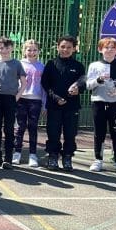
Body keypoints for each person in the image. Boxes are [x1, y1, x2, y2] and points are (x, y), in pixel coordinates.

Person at [86, 37, 116, 175]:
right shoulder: (94, 66)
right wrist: (99, 80)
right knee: (99, 133)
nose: (110, 50)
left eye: (113, 47)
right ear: (100, 49)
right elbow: (88, 85)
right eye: (106, 47)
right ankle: (98, 160)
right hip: (99, 103)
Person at [41, 35, 86, 171]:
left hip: (72, 107)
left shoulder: (78, 66)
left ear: (74, 49)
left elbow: (83, 82)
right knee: (53, 132)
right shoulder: (51, 64)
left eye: (69, 47)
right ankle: (53, 156)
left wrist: (78, 89)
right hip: (55, 105)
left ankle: (67, 157)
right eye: (63, 47)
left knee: (70, 133)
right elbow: (45, 84)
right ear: (58, 47)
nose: (65, 50)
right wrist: (55, 98)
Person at [0, 37, 26, 170]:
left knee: (9, 128)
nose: (4, 50)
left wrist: (17, 96)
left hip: (10, 98)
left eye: (7, 47)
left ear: (12, 48)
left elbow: (24, 82)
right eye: (1, 48)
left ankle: (8, 158)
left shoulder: (17, 64)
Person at [13, 39, 46, 167]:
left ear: (38, 51)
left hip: (35, 100)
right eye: (29, 49)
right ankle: (17, 153)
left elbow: (44, 87)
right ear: (24, 51)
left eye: (34, 50)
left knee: (33, 127)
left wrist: (44, 103)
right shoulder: (19, 64)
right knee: (20, 127)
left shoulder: (41, 66)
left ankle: (33, 155)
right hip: (21, 99)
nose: (32, 52)